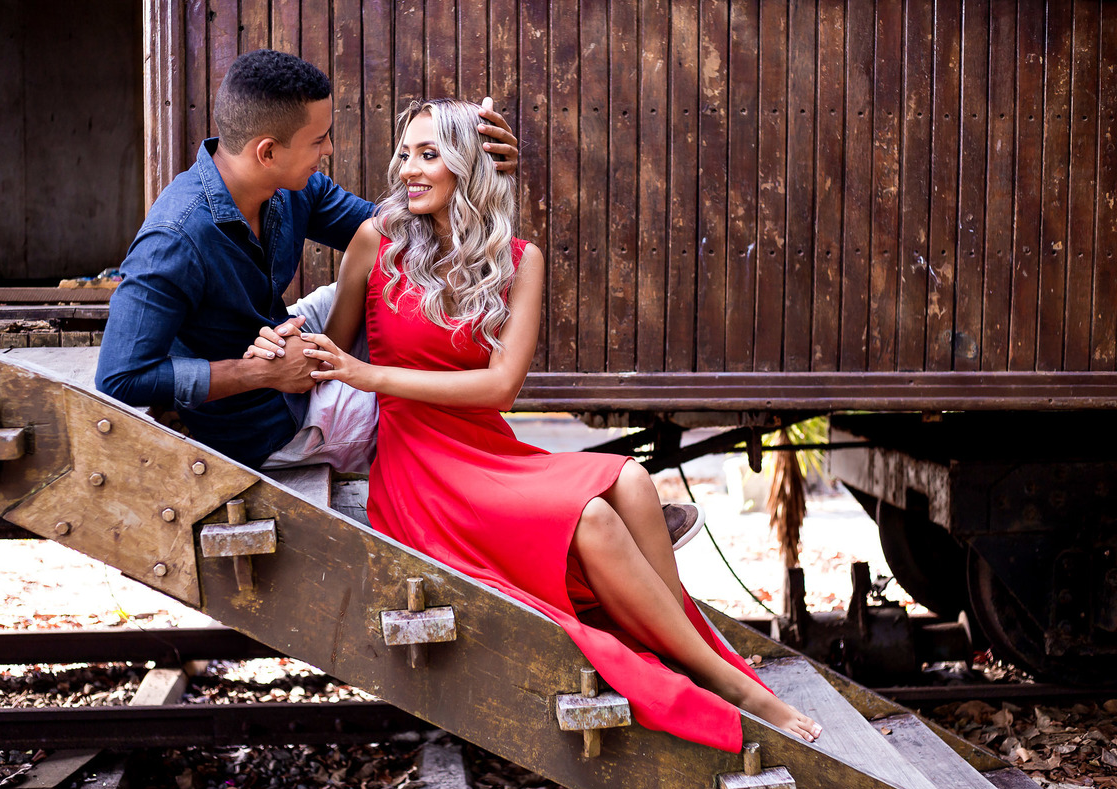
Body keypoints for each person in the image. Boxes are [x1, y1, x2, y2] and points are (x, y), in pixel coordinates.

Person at [246, 98, 822, 750]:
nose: (408, 169)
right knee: (594, 518)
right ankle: (727, 681)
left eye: (429, 155)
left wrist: (367, 375)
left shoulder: (519, 260)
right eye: (405, 154)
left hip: (486, 446)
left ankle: (685, 656)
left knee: (633, 481)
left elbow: (501, 388)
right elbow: (329, 346)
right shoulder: (376, 242)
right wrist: (274, 346)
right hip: (420, 468)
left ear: (468, 165)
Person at [94, 49, 519, 472]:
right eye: (318, 140)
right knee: (424, 415)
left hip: (281, 333)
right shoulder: (174, 239)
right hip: (260, 418)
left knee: (404, 280)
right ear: (267, 153)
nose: (329, 149)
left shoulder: (292, 189)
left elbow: (407, 233)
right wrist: (258, 373)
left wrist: (480, 170)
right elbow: (119, 378)